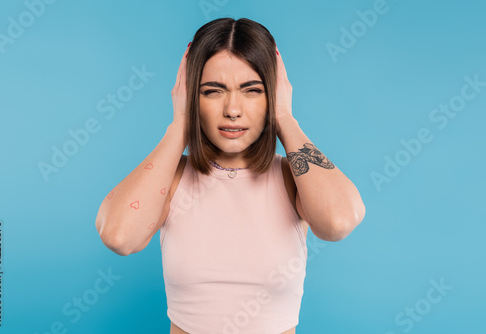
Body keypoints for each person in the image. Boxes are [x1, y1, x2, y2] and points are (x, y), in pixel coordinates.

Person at [95, 17, 365, 334]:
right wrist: (178, 126)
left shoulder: (293, 178)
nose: (232, 109)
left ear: (273, 95)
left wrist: (285, 118)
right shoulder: (172, 180)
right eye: (213, 91)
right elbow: (119, 236)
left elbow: (338, 222)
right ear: (191, 96)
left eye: (252, 90)